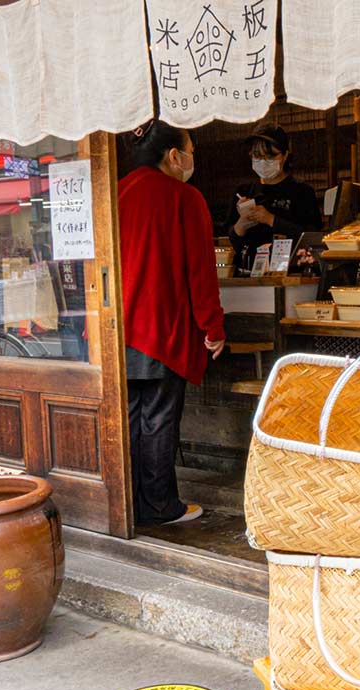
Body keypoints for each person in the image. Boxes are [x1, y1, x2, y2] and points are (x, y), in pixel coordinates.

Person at [119, 122, 225, 525]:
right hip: (162, 327)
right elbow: (201, 272)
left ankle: (126, 504)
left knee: (128, 417)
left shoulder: (116, 192)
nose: (192, 159)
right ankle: (160, 506)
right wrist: (212, 328)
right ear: (173, 156)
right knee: (159, 418)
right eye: (190, 150)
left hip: (118, 328)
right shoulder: (184, 197)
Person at [226, 123, 323, 272]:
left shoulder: (302, 191)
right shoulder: (243, 192)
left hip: (291, 275)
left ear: (284, 156)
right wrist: (241, 226)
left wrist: (271, 220)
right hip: (247, 276)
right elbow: (230, 242)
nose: (263, 162)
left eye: (270, 156)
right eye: (257, 156)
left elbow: (313, 238)